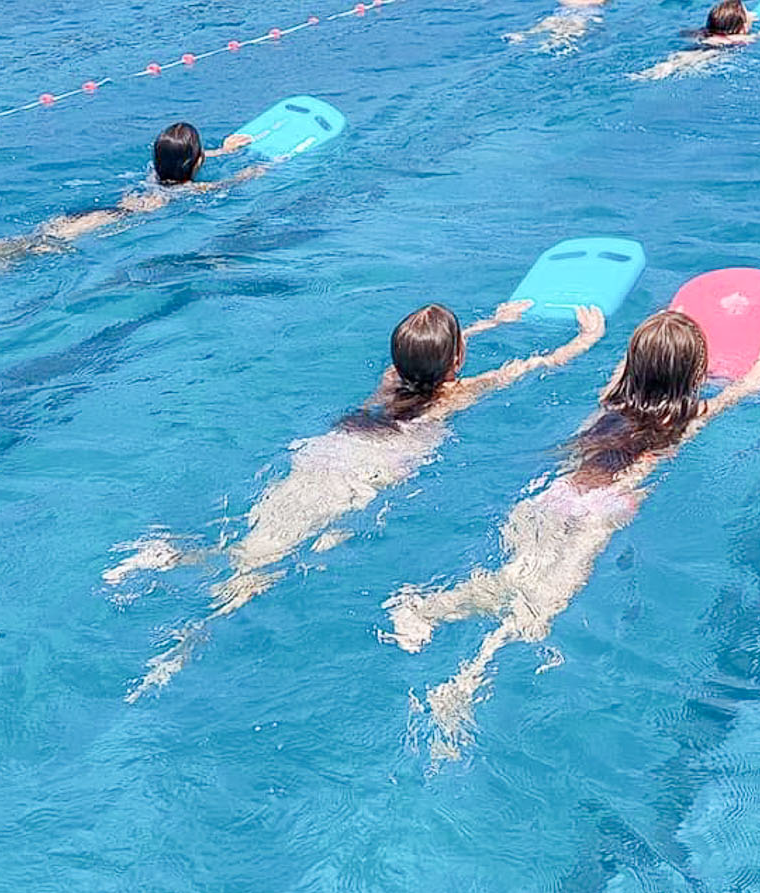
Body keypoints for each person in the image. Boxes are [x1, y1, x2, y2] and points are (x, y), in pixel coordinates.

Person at [113, 299, 609, 698]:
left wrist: (487, 324)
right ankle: (185, 642)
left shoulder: (392, 379)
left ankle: (173, 556)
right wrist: (588, 339)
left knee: (256, 544)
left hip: (329, 450)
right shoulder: (458, 394)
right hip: (369, 470)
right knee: (265, 569)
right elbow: (536, 366)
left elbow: (426, 361)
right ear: (458, 360)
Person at [385, 308, 760, 759]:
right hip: (598, 513)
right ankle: (465, 683)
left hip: (549, 497)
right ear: (694, 377)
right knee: (537, 611)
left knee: (512, 577)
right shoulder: (689, 418)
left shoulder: (610, 402)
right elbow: (744, 390)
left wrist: (646, 329)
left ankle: (427, 609)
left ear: (632, 366)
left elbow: (630, 368)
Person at [0, 121, 257, 263]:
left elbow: (185, 160)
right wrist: (252, 172)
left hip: (112, 208)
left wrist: (225, 149)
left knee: (47, 235)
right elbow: (224, 186)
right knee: (48, 244)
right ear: (197, 162)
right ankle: (1, 255)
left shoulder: (153, 176)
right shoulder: (192, 190)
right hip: (122, 219)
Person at [630, 0, 760, 81]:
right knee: (690, 63)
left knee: (676, 62)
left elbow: (684, 33)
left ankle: (663, 67)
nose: (750, 14)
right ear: (742, 28)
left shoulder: (705, 32)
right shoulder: (740, 39)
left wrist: (747, 18)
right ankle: (665, 68)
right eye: (747, 12)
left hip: (699, 46)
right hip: (713, 52)